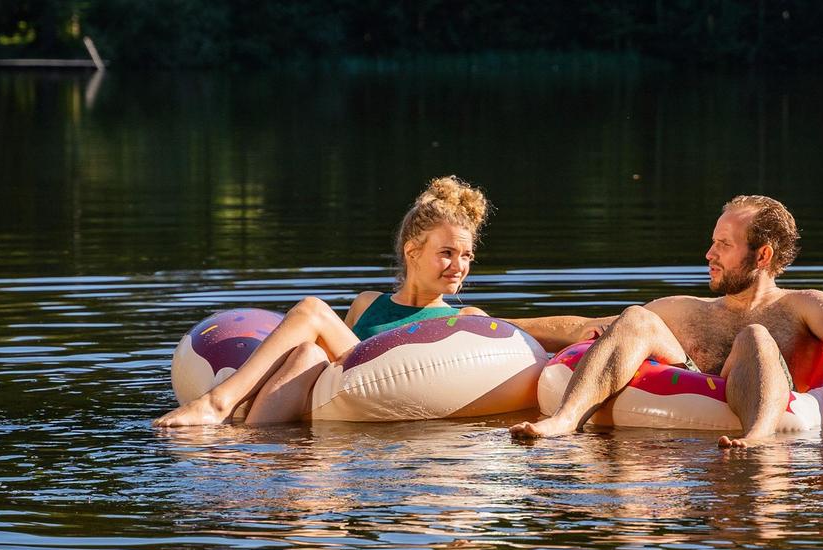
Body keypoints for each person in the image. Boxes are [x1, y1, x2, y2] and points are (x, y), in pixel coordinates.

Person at [155, 176, 597, 427]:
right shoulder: (367, 304)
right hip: (331, 403)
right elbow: (329, 366)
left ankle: (217, 404)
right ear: (412, 252)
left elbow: (524, 337)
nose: (459, 266)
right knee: (308, 347)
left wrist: (589, 334)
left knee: (310, 309)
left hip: (382, 402)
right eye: (446, 253)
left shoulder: (466, 319)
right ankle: (245, 446)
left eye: (466, 256)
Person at [510, 194, 823, 448]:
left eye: (724, 245)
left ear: (762, 255)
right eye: (712, 242)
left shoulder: (800, 305)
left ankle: (756, 439)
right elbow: (585, 327)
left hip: (771, 408)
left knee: (754, 335)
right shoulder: (687, 309)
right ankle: (564, 420)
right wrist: (490, 322)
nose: (709, 254)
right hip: (687, 410)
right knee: (636, 317)